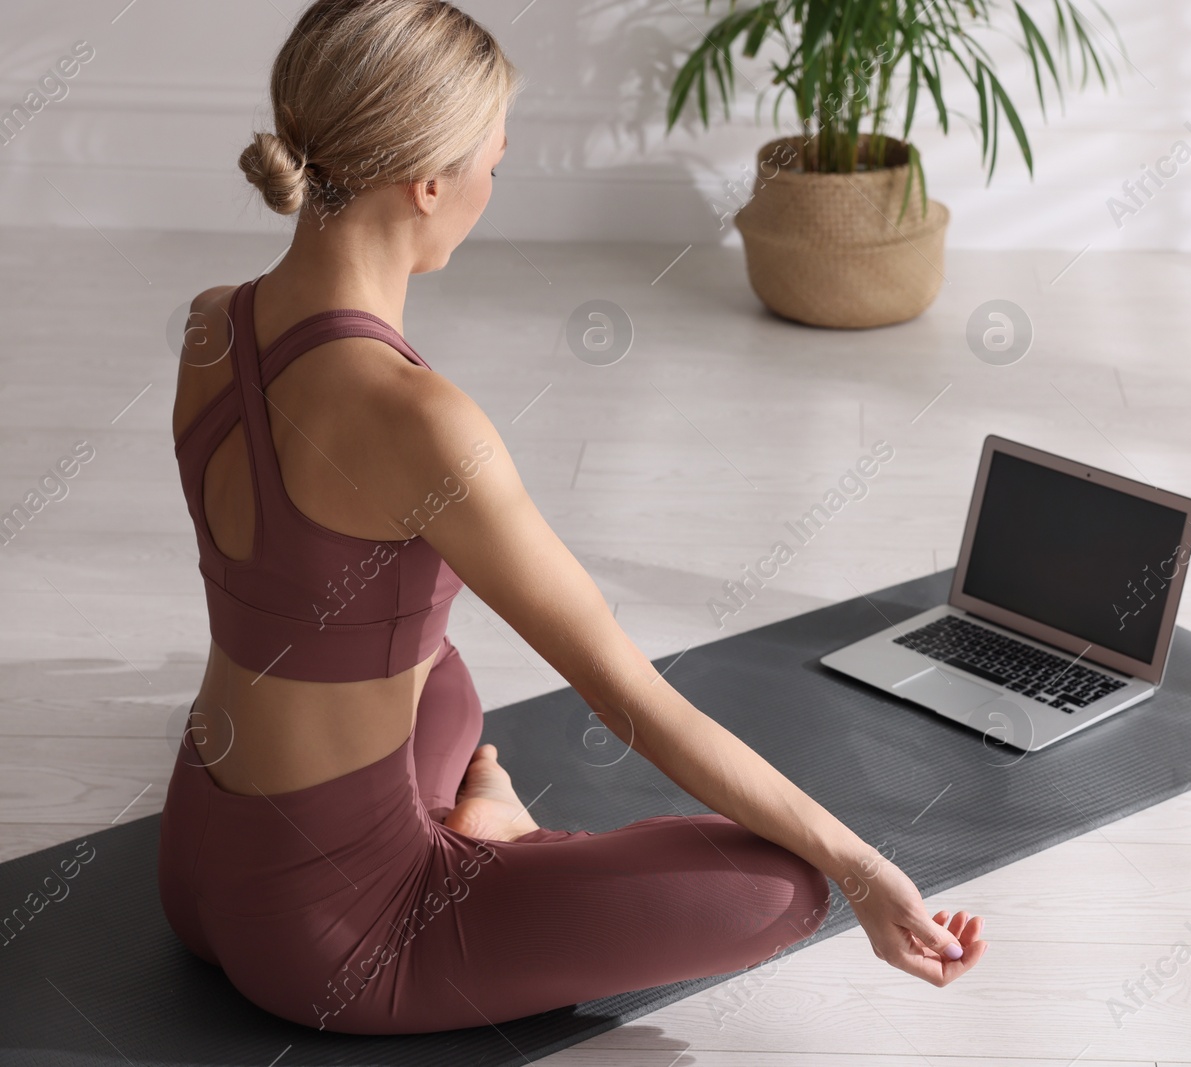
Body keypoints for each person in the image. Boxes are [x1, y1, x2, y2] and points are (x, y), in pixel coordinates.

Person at [157, 0, 986, 1035]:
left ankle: (472, 815)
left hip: (197, 855)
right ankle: (491, 839)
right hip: (335, 938)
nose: (490, 190)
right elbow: (627, 694)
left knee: (440, 677)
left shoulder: (211, 321)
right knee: (783, 889)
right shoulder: (420, 422)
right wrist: (860, 862)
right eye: (492, 164)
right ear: (427, 181)